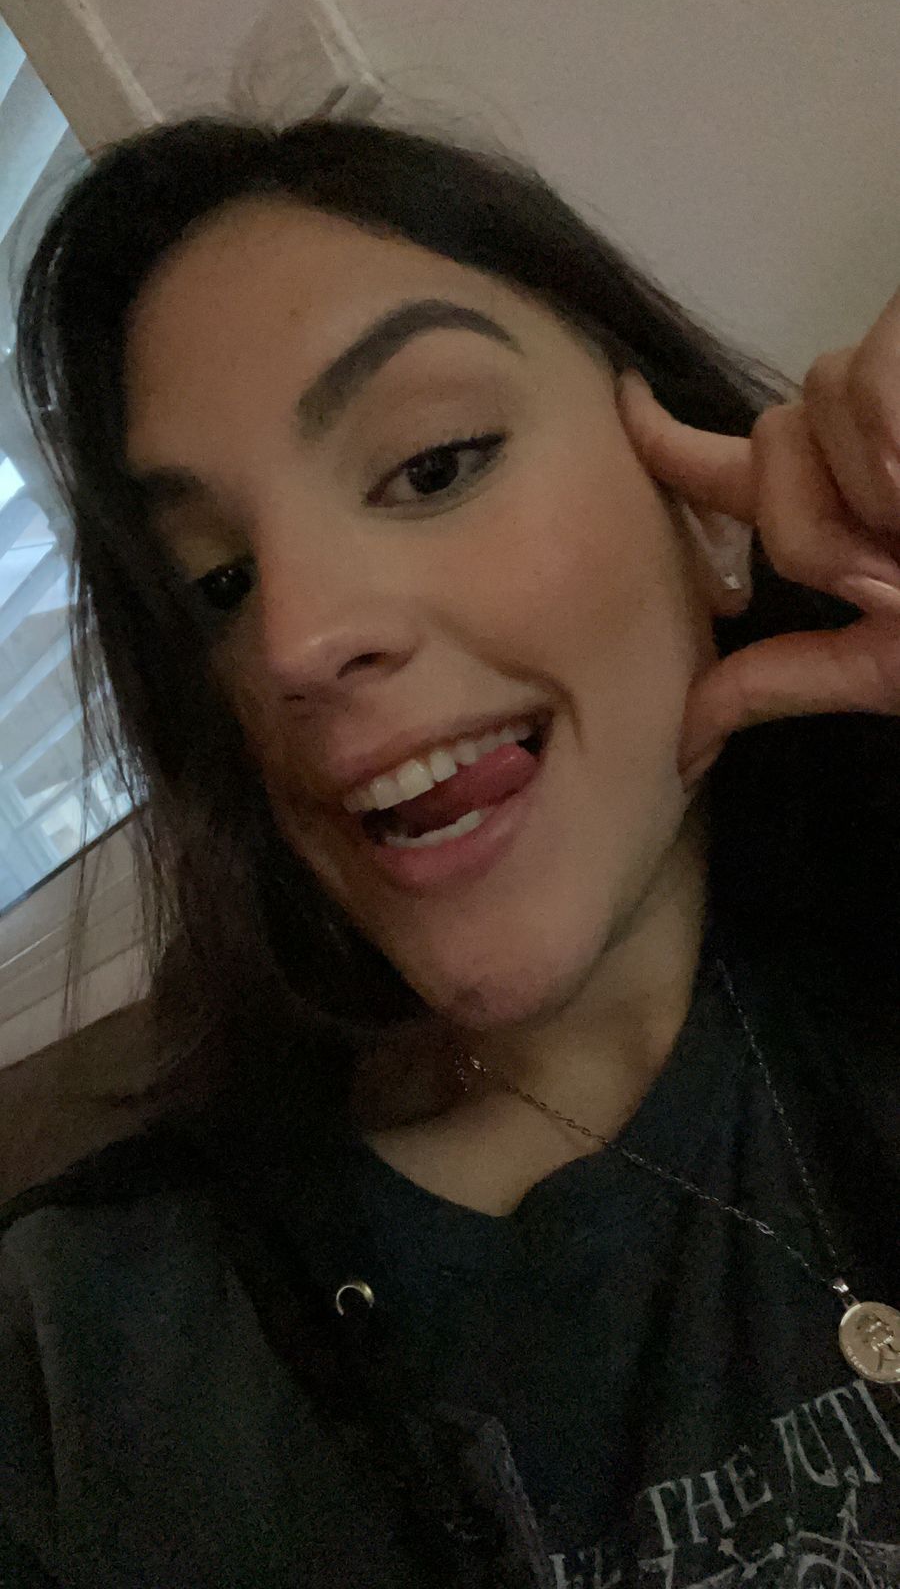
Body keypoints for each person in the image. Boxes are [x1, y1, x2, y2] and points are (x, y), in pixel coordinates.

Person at [1, 114, 898, 1587]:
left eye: (432, 467)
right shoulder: (94, 1364)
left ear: (708, 515)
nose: (294, 642)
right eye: (216, 585)